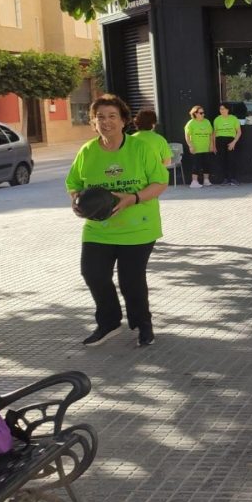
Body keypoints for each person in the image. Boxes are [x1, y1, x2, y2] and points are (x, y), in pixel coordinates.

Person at [66, 94, 169, 348]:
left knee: (130, 281)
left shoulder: (140, 149)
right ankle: (109, 322)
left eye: (112, 116)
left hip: (138, 228)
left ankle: (143, 324)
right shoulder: (87, 151)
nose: (106, 121)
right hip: (98, 229)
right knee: (93, 273)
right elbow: (74, 184)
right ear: (93, 122)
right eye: (100, 117)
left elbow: (160, 182)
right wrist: (77, 202)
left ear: (124, 120)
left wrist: (134, 198)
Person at [184, 104, 214, 188]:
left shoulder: (207, 122)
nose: (203, 114)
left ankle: (206, 181)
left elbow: (211, 134)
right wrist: (190, 146)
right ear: (195, 113)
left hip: (206, 148)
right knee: (196, 165)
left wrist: (211, 145)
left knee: (206, 164)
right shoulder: (191, 123)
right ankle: (194, 182)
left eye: (203, 113)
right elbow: (187, 136)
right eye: (201, 113)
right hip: (196, 148)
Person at [213, 102, 242, 185]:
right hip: (220, 140)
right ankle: (225, 179)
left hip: (231, 140)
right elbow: (214, 133)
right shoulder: (217, 119)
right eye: (220, 109)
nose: (221, 110)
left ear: (228, 109)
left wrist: (233, 142)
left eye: (223, 109)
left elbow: (239, 132)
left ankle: (233, 179)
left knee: (231, 160)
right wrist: (214, 146)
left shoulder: (234, 119)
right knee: (222, 160)